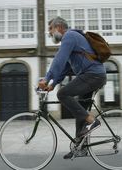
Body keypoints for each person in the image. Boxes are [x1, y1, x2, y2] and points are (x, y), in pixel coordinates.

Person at [38, 17, 107, 159]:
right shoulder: (72, 39)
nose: (49, 33)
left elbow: (59, 59)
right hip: (94, 75)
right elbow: (65, 67)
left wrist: (46, 78)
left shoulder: (69, 36)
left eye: (50, 29)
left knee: (63, 94)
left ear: (58, 27)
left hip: (92, 75)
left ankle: (93, 121)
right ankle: (80, 147)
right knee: (80, 111)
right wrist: (53, 83)